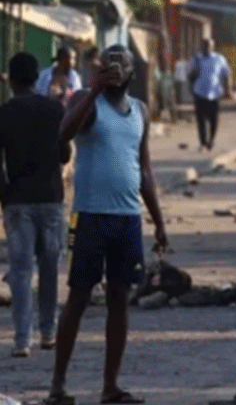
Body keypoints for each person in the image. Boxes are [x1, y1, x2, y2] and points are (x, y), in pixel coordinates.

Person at [48, 44, 167, 405]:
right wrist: (95, 88)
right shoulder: (87, 99)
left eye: (122, 64)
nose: (116, 68)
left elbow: (144, 170)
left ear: (132, 72)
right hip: (90, 216)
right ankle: (58, 385)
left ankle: (110, 386)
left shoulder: (140, 112)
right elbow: (64, 133)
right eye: (109, 63)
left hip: (127, 219)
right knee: (80, 297)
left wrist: (159, 221)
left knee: (120, 298)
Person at [0, 52, 72, 358]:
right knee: (49, 266)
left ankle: (21, 340)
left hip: (17, 200)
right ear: (35, 78)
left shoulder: (3, 113)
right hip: (50, 199)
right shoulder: (54, 110)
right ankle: (49, 332)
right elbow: (65, 155)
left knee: (20, 270)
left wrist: (3, 193)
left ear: (12, 80)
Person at [187, 39, 231, 152]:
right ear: (202, 46)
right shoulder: (196, 59)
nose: (206, 48)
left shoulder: (219, 59)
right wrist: (194, 72)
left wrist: (227, 89)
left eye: (209, 46)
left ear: (213, 47)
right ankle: (203, 142)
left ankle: (211, 140)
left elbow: (226, 74)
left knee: (213, 119)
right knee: (201, 119)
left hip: (215, 92)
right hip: (200, 92)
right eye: (204, 46)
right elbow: (189, 75)